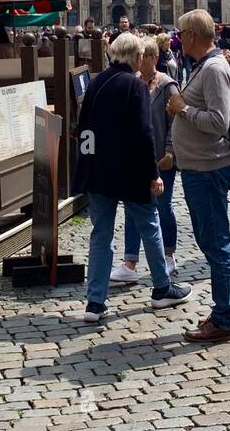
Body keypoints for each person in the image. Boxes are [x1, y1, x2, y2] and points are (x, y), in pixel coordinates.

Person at [72, 33, 191, 322]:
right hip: (130, 172)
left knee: (101, 234)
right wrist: (153, 173)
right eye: (140, 55)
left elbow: (83, 128)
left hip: (99, 171)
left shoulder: (96, 81)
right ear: (135, 57)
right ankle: (162, 288)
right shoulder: (135, 85)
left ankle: (95, 302)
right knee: (149, 226)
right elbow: (143, 132)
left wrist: (88, 165)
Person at [167, 9, 230, 342]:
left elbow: (217, 122)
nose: (177, 38)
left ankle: (224, 319)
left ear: (192, 36)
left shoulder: (213, 68)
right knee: (217, 241)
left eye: (180, 32)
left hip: (207, 168)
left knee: (216, 244)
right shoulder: (206, 65)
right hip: (199, 165)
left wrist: (182, 109)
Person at [111, 37, 181, 283]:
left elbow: (176, 123)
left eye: (144, 57)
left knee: (162, 208)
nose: (140, 62)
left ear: (153, 58)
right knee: (132, 210)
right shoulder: (132, 84)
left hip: (162, 159)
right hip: (137, 160)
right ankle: (130, 262)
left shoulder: (168, 86)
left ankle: (168, 255)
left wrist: (171, 152)